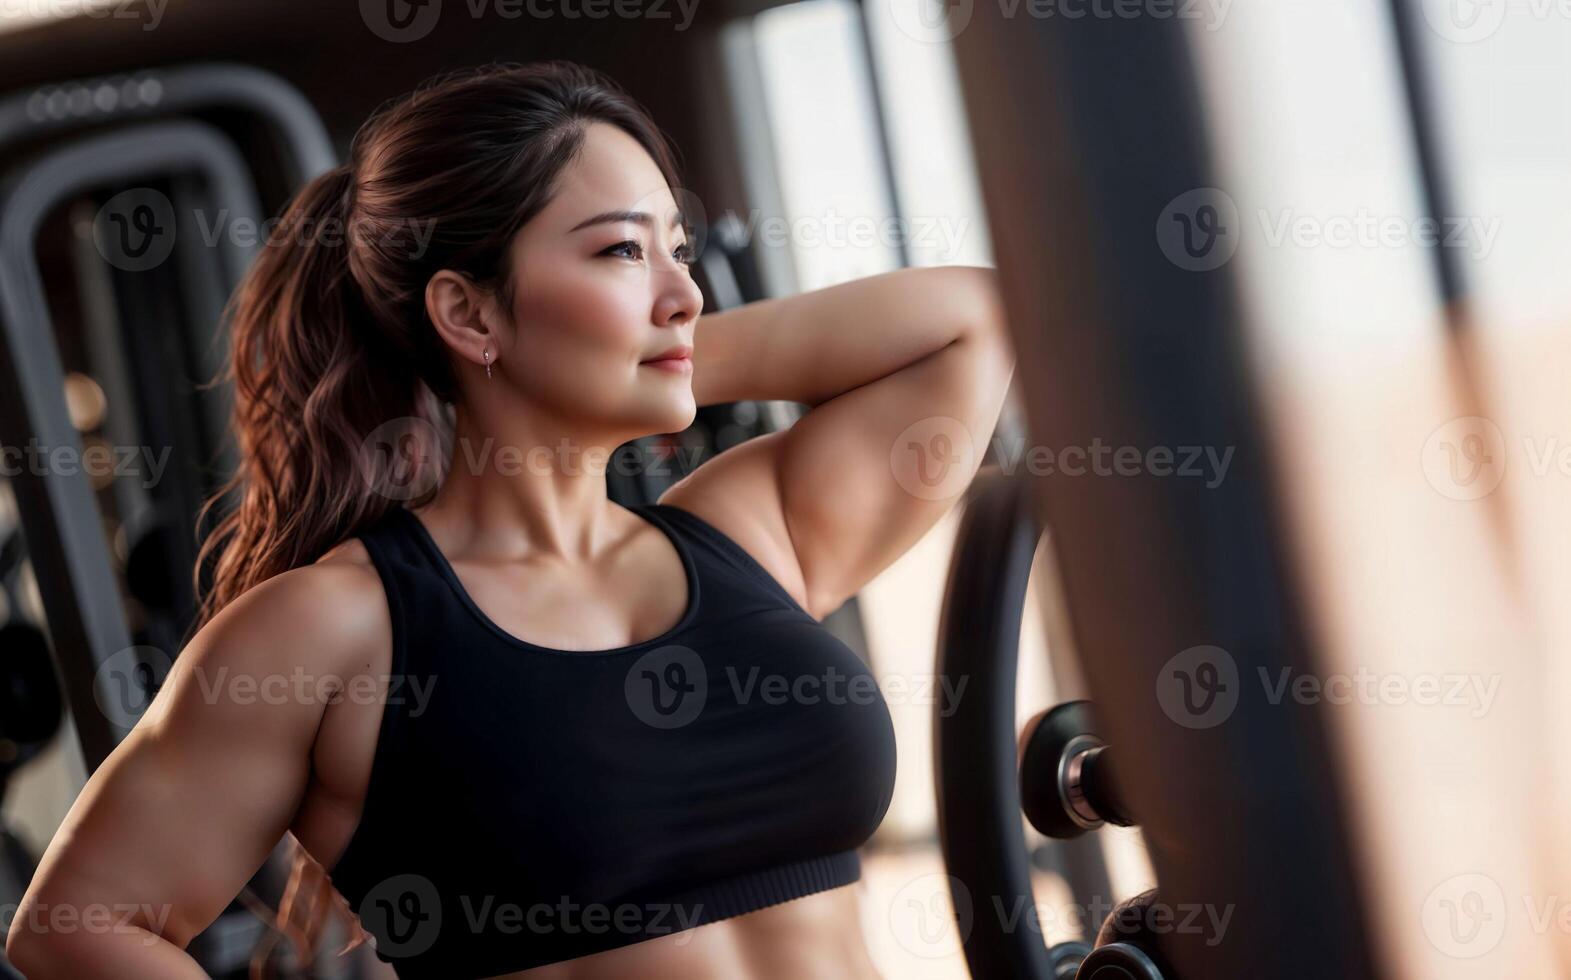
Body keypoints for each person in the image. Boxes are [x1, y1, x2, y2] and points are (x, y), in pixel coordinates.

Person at [5, 61, 1015, 978]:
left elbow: (975, 321)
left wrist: (649, 356)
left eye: (678, 247)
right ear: (469, 312)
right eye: (621, 250)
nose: (682, 292)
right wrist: (613, 362)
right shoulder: (335, 626)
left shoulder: (750, 533)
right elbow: (75, 925)